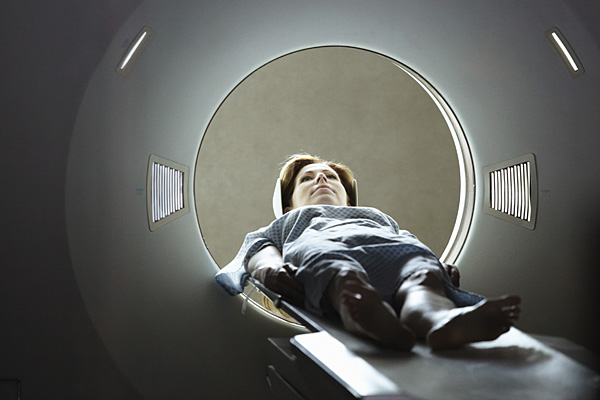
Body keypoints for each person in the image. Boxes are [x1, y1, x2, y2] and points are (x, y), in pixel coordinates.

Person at [216, 154, 520, 351]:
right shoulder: (290, 222)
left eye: (331, 177)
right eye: (307, 178)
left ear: (349, 201)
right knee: (340, 273)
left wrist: (438, 265)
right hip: (326, 249)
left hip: (392, 252)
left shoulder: (375, 216)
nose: (321, 179)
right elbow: (259, 247)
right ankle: (365, 315)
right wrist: (269, 268)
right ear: (288, 205)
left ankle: (436, 320)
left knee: (422, 274)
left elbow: (406, 240)